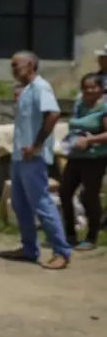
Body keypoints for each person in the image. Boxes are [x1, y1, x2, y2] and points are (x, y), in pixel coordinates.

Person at [0, 51, 71, 269]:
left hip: (33, 156)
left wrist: (38, 144)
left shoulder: (41, 87)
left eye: (16, 65)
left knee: (42, 203)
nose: (13, 69)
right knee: (21, 204)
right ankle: (30, 248)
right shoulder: (27, 90)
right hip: (20, 156)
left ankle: (61, 251)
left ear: (30, 65)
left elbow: (53, 114)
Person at [59, 73, 107, 251]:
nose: (89, 90)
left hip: (95, 158)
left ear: (101, 89)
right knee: (65, 192)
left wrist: (90, 141)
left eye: (94, 87)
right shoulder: (79, 106)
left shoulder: (103, 108)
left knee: (89, 196)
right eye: (86, 87)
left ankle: (92, 236)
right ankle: (69, 234)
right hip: (76, 156)